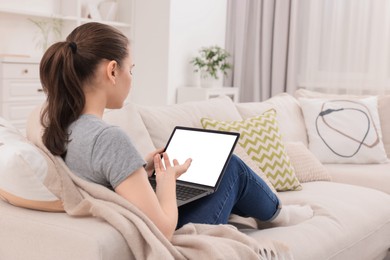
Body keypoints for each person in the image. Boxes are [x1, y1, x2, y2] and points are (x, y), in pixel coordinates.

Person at [39, 22, 312, 241]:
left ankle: (265, 210)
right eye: (130, 70)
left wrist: (140, 167)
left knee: (214, 180)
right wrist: (167, 181)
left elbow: (101, 178)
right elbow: (162, 228)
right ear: (112, 71)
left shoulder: (63, 127)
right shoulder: (109, 138)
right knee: (232, 168)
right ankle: (277, 214)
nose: (131, 79)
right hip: (168, 233)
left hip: (127, 215)